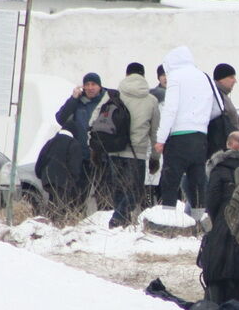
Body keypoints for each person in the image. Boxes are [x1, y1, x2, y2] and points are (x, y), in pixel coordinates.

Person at [198, 131, 239, 303]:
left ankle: (215, 302)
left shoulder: (218, 168)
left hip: (222, 220)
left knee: (217, 261)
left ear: (227, 145)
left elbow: (211, 200)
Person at [155, 46, 221, 211]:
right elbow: (218, 108)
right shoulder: (204, 76)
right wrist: (200, 121)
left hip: (178, 138)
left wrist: (161, 139)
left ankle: (167, 218)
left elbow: (170, 110)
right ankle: (200, 222)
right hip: (200, 138)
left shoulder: (176, 77)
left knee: (170, 182)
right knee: (198, 182)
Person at [55, 72, 130, 209]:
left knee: (104, 194)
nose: (90, 88)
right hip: (82, 156)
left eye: (93, 84)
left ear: (100, 86)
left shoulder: (108, 101)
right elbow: (61, 119)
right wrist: (73, 98)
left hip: (103, 156)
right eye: (87, 84)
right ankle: (76, 220)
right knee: (78, 195)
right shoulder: (78, 102)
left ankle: (104, 223)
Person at [109, 62, 161, 228]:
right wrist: (155, 157)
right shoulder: (152, 100)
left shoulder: (113, 95)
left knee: (118, 190)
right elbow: (155, 133)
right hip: (136, 153)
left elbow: (94, 121)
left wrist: (95, 148)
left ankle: (120, 224)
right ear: (144, 77)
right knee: (135, 191)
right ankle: (117, 220)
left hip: (114, 151)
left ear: (126, 75)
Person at [35, 121, 88, 219]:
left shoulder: (50, 142)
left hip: (47, 180)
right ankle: (57, 224)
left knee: (53, 201)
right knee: (62, 207)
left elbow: (40, 161)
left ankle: (49, 223)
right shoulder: (74, 144)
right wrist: (73, 181)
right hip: (64, 182)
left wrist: (41, 175)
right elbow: (75, 167)